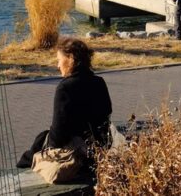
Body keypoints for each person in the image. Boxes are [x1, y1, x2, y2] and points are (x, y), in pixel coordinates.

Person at [17, 38, 112, 172]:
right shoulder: (99, 82)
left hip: (77, 152)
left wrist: (46, 147)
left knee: (37, 146)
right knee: (42, 138)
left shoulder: (65, 87)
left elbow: (58, 132)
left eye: (59, 60)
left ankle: (24, 164)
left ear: (71, 59)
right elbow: (106, 115)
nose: (57, 65)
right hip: (99, 147)